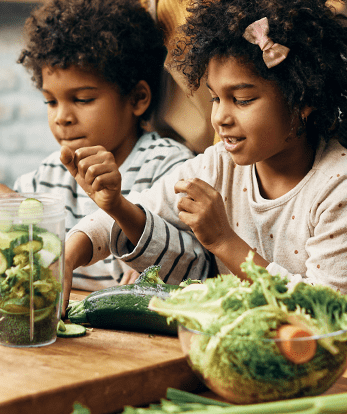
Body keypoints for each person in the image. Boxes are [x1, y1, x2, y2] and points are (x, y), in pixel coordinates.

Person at [62, 0, 347, 303]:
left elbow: (328, 308)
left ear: (302, 99)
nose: (220, 118)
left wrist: (225, 241)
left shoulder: (336, 188)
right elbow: (126, 217)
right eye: (215, 98)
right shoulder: (217, 166)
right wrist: (66, 259)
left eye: (242, 99)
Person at [0, 0, 194, 290]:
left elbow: (195, 261)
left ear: (136, 98)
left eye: (82, 99)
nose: (62, 117)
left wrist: (149, 260)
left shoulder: (170, 167)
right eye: (51, 101)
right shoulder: (48, 176)